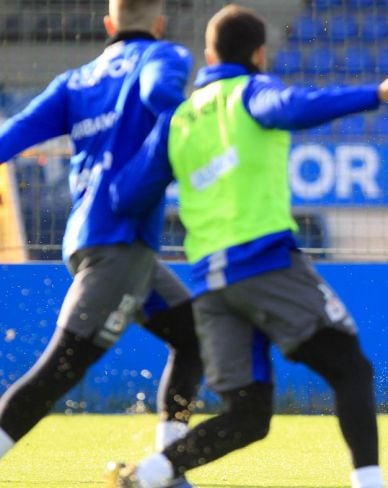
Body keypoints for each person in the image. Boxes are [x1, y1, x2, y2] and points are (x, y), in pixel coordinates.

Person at [103, 5, 388, 488]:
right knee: (350, 369)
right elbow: (293, 108)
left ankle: (146, 476)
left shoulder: (180, 119)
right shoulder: (253, 91)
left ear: (209, 53)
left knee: (250, 416)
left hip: (211, 285)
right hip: (266, 266)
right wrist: (375, 94)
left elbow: (125, 195)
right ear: (259, 53)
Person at [0, 0, 202, 474]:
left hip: (93, 238)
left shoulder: (75, 82)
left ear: (109, 24)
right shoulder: (165, 56)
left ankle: (167, 470)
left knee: (194, 337)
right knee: (61, 368)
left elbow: (12, 136)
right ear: (160, 23)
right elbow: (159, 95)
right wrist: (184, 123)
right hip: (119, 245)